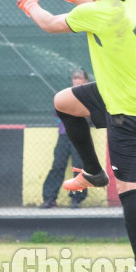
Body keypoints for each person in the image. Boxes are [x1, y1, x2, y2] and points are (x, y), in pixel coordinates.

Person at [17, 0, 136, 272]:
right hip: (126, 93)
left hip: (126, 109)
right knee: (63, 102)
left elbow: (50, 24)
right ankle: (93, 172)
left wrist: (28, 2)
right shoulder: (130, 3)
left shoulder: (102, 12)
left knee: (130, 190)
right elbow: (90, 3)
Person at [39, 69, 90, 209]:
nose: (76, 80)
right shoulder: (65, 94)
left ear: (85, 81)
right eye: (74, 78)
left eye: (79, 78)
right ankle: (50, 198)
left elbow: (89, 116)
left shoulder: (89, 96)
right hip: (64, 135)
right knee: (58, 165)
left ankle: (76, 199)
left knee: (79, 167)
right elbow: (57, 112)